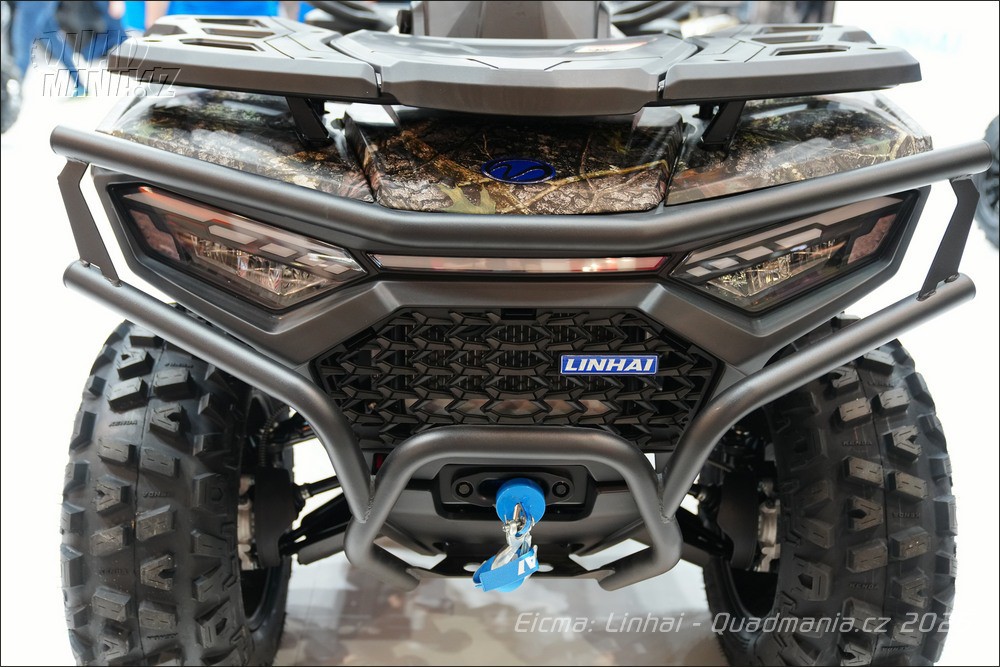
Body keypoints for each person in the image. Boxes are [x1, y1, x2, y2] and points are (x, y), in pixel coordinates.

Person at [10, 0, 85, 96]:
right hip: (44, 4)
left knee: (22, 45)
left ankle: (13, 91)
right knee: (55, 42)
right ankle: (79, 84)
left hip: (31, 4)